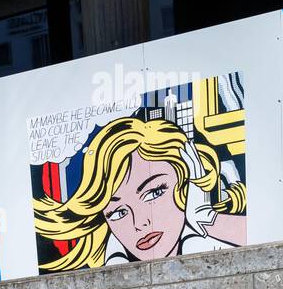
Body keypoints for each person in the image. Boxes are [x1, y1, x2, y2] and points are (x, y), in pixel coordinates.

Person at [33, 116, 246, 273]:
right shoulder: (115, 261)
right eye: (117, 212)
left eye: (154, 192)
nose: (140, 223)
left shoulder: (199, 242)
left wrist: (207, 219)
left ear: (184, 184)